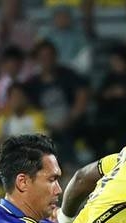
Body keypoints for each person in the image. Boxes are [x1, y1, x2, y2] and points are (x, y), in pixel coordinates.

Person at [23, 40, 90, 170]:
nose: (46, 60)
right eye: (42, 57)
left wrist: (69, 119)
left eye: (49, 56)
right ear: (37, 59)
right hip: (43, 127)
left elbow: (82, 97)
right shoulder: (32, 84)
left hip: (70, 124)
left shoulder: (69, 75)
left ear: (55, 57)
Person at [0, 84, 46, 197]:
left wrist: (11, 143)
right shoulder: (1, 117)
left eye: (19, 96)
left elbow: (42, 144)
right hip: (4, 159)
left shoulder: (35, 116)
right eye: (13, 97)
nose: (16, 100)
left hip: (27, 160)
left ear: (26, 98)